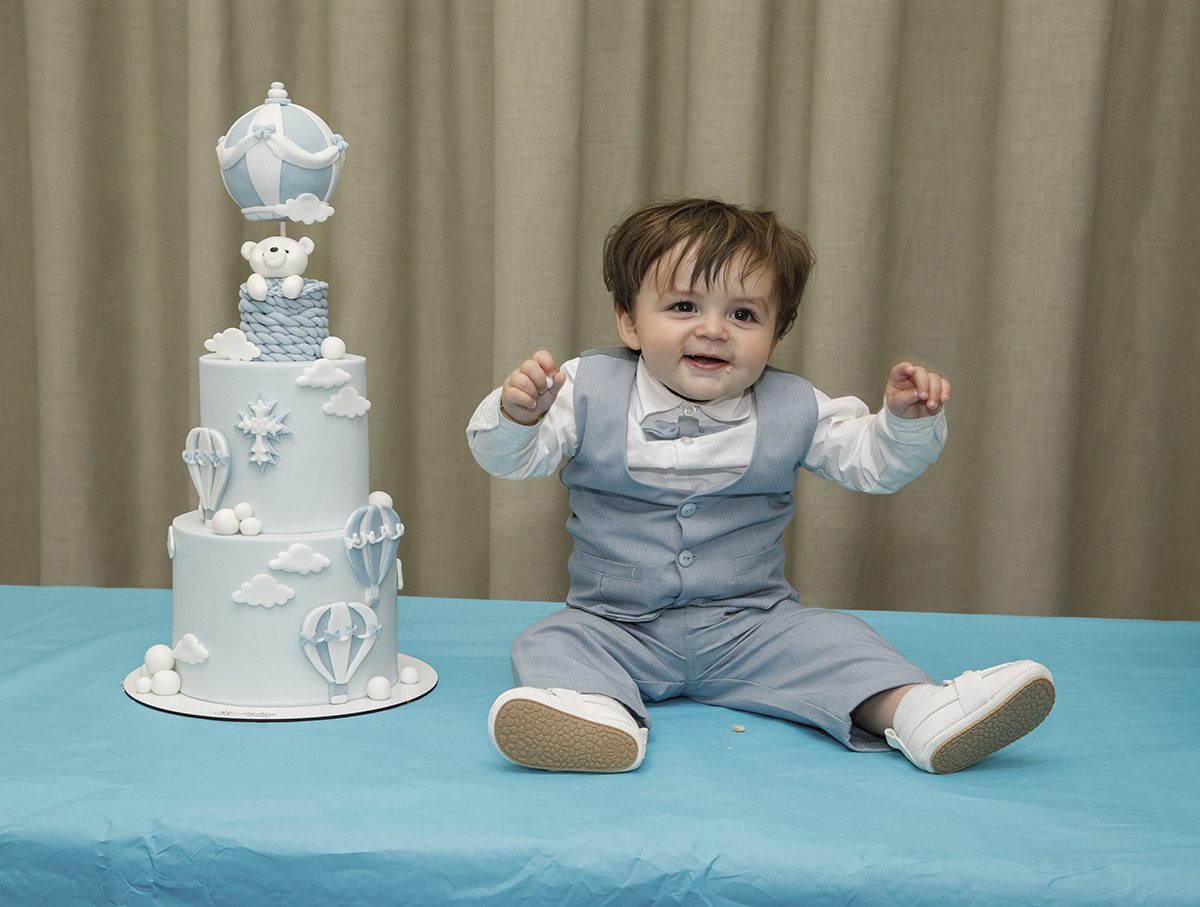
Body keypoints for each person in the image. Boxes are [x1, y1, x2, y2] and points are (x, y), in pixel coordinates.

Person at [466, 198, 1054, 775]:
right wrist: (519, 417)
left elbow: (872, 463)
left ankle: (919, 712)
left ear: (775, 334)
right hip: (615, 623)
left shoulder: (795, 405)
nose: (714, 328)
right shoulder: (583, 388)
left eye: (744, 315)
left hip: (753, 625)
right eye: (683, 305)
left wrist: (903, 422)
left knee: (836, 638)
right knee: (548, 641)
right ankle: (597, 713)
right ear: (629, 321)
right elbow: (511, 462)